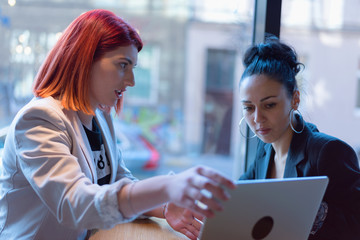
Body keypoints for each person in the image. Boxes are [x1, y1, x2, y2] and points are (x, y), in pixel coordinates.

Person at [0, 9, 235, 240]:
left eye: (133, 68)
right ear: (84, 59)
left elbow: (118, 183)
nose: (131, 81)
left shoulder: (100, 116)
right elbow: (75, 205)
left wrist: (164, 206)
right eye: (123, 65)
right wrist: (167, 186)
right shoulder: (39, 119)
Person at [238, 36, 360, 239]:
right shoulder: (265, 150)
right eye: (249, 108)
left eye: (269, 105)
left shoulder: (329, 152)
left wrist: (313, 213)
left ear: (295, 99)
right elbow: (239, 195)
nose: (258, 118)